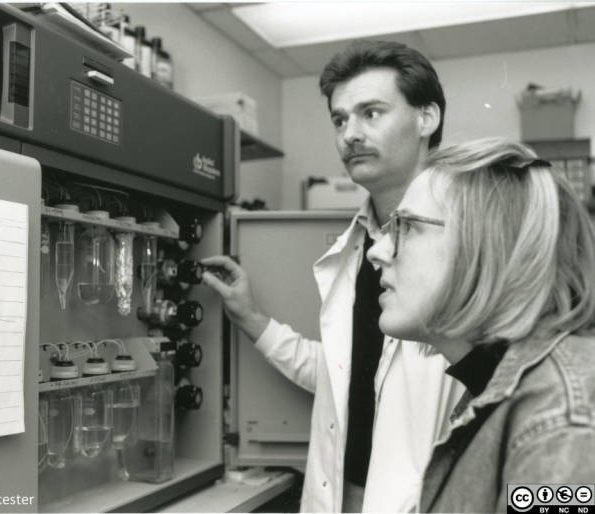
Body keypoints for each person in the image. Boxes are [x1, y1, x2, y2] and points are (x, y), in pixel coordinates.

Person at [202, 40, 465, 512]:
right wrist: (251, 317)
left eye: (371, 113)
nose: (350, 134)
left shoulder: (474, 241)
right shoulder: (358, 246)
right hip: (343, 496)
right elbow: (342, 374)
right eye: (340, 119)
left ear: (427, 118)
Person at [367, 137, 595, 512]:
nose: (377, 252)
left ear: (486, 242)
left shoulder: (560, 419)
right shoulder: (495, 386)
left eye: (405, 226)